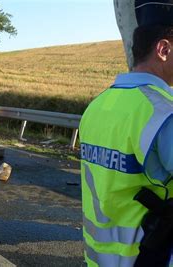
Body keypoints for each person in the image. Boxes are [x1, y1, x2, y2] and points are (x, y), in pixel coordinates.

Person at [80, 1, 173, 266]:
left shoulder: (97, 106)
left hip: (97, 259)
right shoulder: (163, 114)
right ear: (163, 49)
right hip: (145, 258)